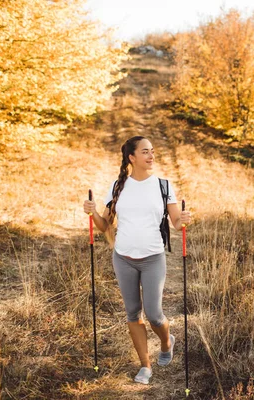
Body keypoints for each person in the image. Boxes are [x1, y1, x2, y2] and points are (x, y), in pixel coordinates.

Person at [83, 136, 191, 385]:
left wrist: (184, 219)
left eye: (152, 151)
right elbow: (104, 226)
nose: (151, 156)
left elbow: (176, 223)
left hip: (153, 258)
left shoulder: (163, 186)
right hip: (123, 258)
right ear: (132, 157)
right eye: (145, 152)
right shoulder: (118, 187)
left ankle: (166, 342)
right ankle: (145, 365)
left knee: (154, 315)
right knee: (133, 313)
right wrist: (92, 212)